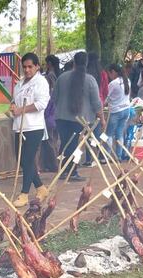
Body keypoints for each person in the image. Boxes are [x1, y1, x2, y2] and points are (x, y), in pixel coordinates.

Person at [52, 51, 104, 182]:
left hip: (61, 118)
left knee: (64, 144)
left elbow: (54, 98)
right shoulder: (90, 80)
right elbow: (96, 103)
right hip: (81, 120)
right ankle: (72, 171)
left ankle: (63, 170)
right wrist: (102, 119)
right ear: (86, 64)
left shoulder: (62, 78)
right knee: (75, 146)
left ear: (74, 62)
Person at [10, 53, 50, 207]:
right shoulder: (19, 83)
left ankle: (24, 194)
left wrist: (21, 110)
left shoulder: (41, 82)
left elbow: (41, 104)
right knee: (22, 160)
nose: (27, 70)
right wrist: (13, 106)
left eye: (30, 67)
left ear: (37, 67)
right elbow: (15, 99)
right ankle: (40, 188)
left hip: (34, 127)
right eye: (24, 67)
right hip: (19, 126)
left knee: (28, 159)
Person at [105, 64, 131, 160]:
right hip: (126, 110)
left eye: (109, 73)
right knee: (119, 134)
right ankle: (118, 156)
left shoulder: (113, 83)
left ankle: (106, 156)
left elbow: (106, 98)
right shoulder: (127, 80)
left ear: (113, 72)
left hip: (116, 111)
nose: (109, 76)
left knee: (109, 134)